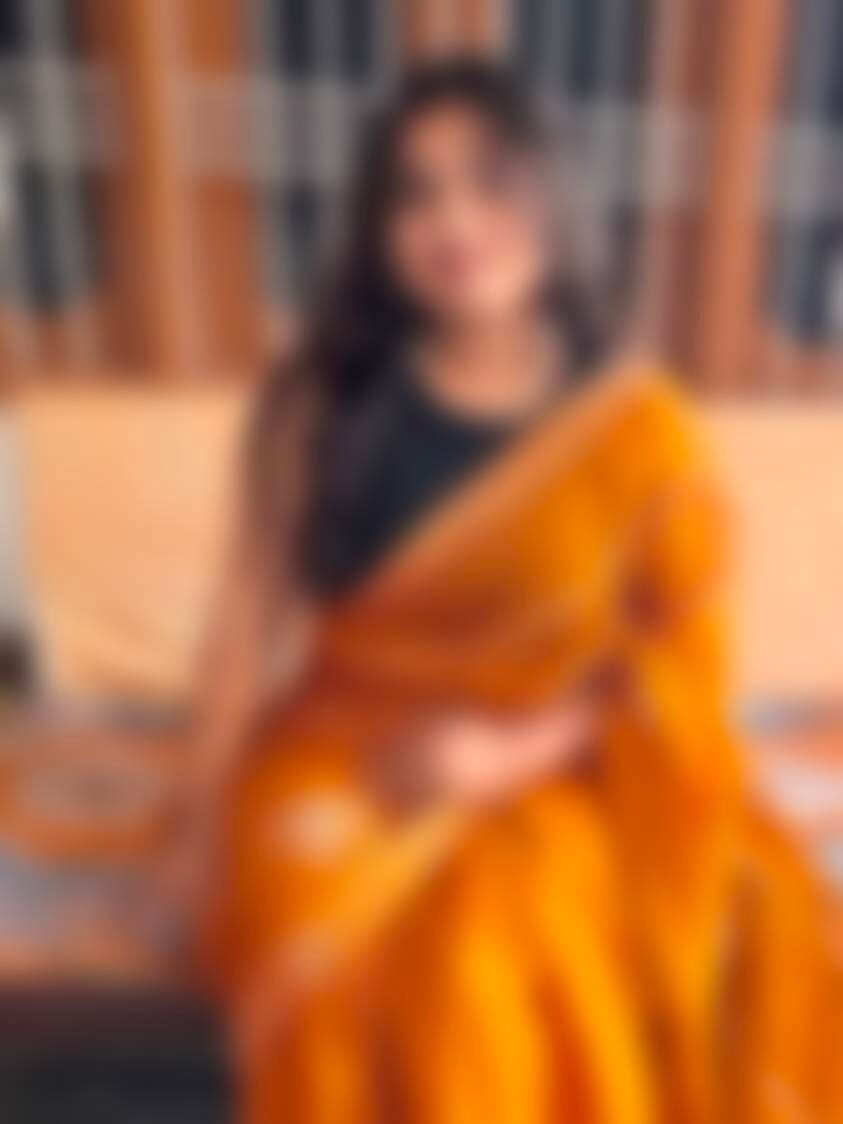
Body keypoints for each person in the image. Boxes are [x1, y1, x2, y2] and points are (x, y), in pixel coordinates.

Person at [188, 60, 838, 1124]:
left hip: (554, 757)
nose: (455, 220)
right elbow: (240, 631)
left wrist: (506, 754)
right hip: (342, 750)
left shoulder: (638, 433)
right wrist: (198, 829)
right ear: (379, 234)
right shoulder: (319, 405)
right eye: (415, 194)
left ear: (552, 199)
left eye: (489, 182)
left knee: (523, 939)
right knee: (345, 927)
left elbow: (668, 664)